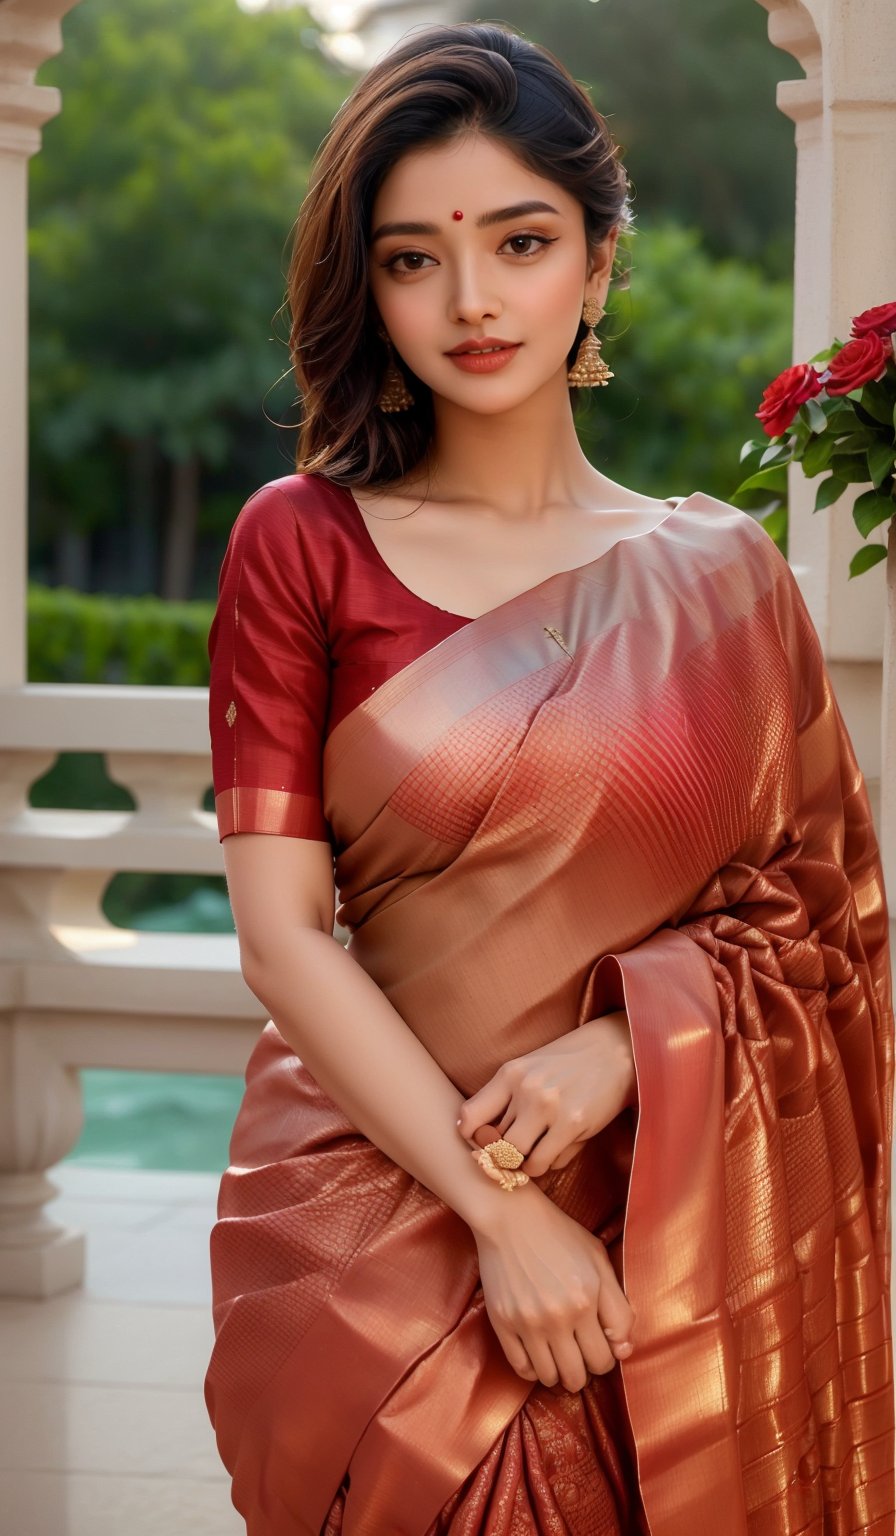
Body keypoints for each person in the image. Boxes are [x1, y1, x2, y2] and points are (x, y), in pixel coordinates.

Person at [203, 20, 895, 1535]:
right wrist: (502, 1217)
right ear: (367, 288)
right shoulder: (299, 544)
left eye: (519, 241)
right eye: (410, 259)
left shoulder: (723, 576)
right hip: (374, 1209)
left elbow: (817, 915)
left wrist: (625, 1054)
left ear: (597, 258)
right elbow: (278, 939)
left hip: (662, 1199)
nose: (470, 301)